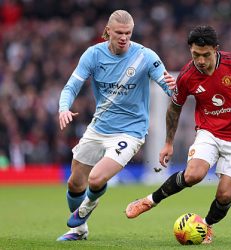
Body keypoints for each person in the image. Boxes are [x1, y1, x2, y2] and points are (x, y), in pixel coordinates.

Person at [125, 25, 231, 244]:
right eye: (196, 55)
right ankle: (149, 201)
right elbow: (174, 108)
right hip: (209, 133)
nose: (201, 61)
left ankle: (205, 226)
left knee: (225, 195)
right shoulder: (187, 76)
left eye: (206, 55)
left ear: (216, 49)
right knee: (193, 175)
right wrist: (168, 143)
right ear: (190, 50)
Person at [56, 10, 175, 241]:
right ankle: (79, 231)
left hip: (131, 131)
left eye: (128, 33)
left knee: (96, 178)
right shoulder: (93, 55)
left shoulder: (145, 56)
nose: (124, 37)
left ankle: (85, 209)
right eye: (119, 33)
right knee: (75, 182)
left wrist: (173, 86)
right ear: (108, 31)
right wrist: (63, 108)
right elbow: (71, 86)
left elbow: (169, 87)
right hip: (99, 127)